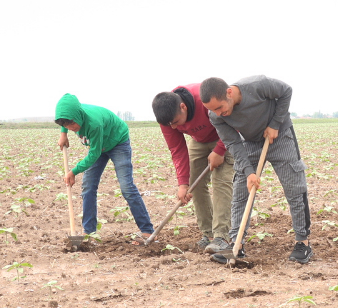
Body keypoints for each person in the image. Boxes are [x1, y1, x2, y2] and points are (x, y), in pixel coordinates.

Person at [200, 76, 313, 264]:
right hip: (250, 142)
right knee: (240, 192)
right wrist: (248, 172)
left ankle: (303, 243)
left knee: (294, 188)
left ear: (229, 92)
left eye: (219, 107)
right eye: (212, 110)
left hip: (280, 135)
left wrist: (275, 124)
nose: (218, 114)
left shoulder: (258, 85)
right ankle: (236, 245)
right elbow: (233, 143)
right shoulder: (216, 117)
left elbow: (286, 91)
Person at [55, 93, 154, 240]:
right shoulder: (72, 117)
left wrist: (74, 171)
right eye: (66, 126)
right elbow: (65, 119)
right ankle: (89, 233)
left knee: (126, 186)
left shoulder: (93, 123)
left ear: (78, 115)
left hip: (117, 141)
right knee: (88, 186)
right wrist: (63, 134)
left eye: (71, 124)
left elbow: (93, 155)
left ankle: (147, 230)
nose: (71, 128)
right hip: (98, 145)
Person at [152, 84, 234, 253]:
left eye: (176, 122)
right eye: (170, 125)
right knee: (194, 185)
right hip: (199, 141)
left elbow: (233, 123)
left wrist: (219, 150)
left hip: (225, 136)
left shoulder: (204, 98)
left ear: (183, 107)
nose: (174, 128)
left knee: (221, 183)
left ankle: (222, 236)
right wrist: (182, 184)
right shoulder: (167, 118)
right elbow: (177, 149)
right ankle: (209, 234)